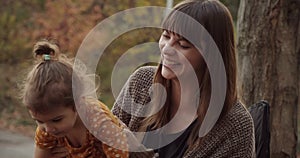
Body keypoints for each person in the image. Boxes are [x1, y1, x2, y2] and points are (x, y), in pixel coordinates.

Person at [112, 0, 255, 157]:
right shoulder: (141, 83)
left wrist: (136, 153)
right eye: (166, 36)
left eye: (183, 45)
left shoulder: (236, 126)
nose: (167, 49)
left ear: (212, 56)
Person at [20, 39, 130, 158]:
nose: (48, 129)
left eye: (57, 120)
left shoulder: (100, 122)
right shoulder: (47, 126)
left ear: (78, 104)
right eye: (39, 121)